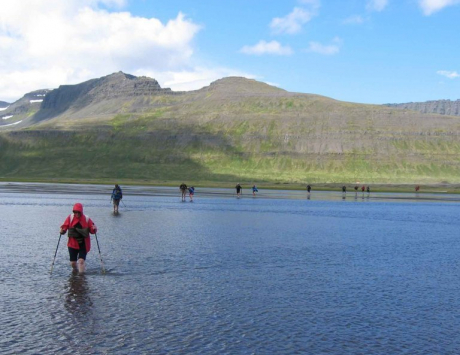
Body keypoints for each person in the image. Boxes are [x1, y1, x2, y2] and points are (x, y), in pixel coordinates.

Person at [59, 203, 97, 273]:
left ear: (81, 211)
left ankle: (81, 276)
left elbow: (92, 229)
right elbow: (64, 226)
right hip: (72, 244)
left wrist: (94, 229)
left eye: (78, 212)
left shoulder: (86, 219)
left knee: (81, 261)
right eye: (75, 212)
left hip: (83, 244)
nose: (76, 213)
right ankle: (75, 273)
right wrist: (62, 230)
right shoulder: (70, 218)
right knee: (73, 263)